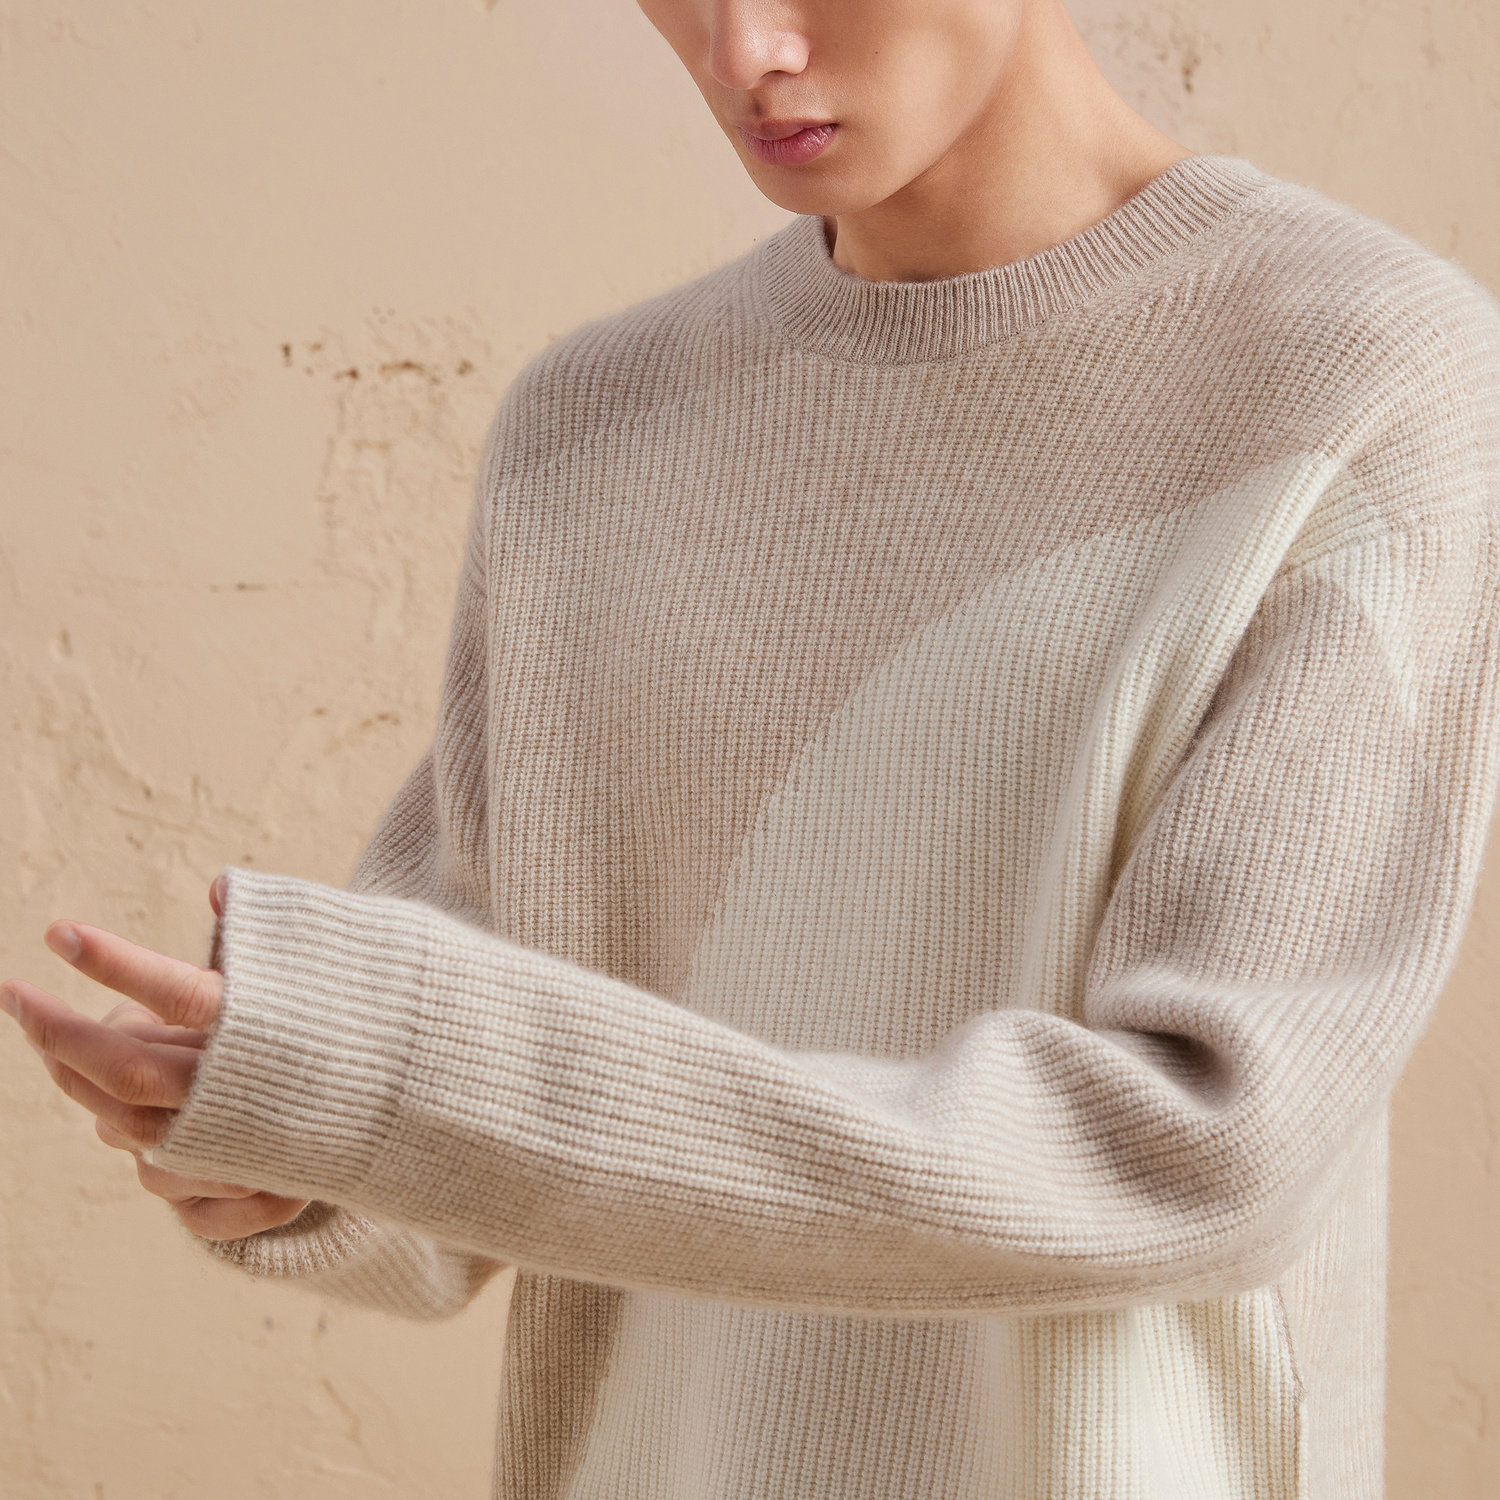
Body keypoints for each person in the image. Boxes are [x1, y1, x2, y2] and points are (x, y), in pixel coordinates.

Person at [4, 0, 1500, 1495]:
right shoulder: (594, 428)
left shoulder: (1366, 376)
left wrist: (411, 1088)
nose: (740, 55)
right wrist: (291, 1151)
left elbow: (1209, 1153)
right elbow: (466, 1124)